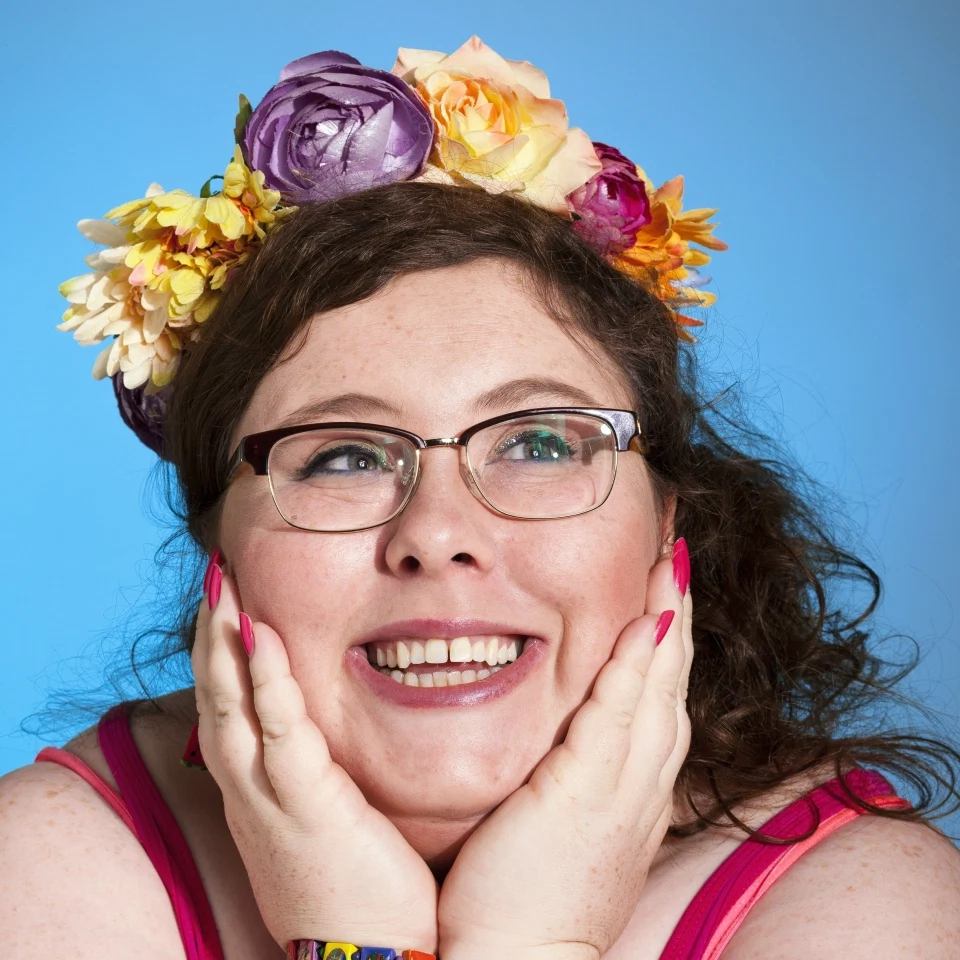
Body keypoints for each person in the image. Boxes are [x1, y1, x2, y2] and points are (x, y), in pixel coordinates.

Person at [2, 37, 958, 960]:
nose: (438, 534)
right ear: (219, 539)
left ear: (668, 518)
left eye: (539, 443)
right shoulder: (46, 866)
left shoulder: (870, 903)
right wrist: (359, 949)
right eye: (343, 457)